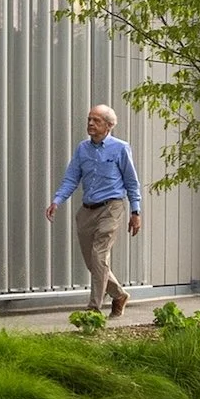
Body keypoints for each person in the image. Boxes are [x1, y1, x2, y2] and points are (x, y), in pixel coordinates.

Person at [47, 102, 142, 317]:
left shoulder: (120, 148)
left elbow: (131, 182)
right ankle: (119, 294)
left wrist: (135, 212)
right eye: (89, 119)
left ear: (108, 125)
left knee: (99, 257)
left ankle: (93, 310)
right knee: (93, 262)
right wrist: (57, 201)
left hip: (111, 207)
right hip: (87, 210)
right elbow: (71, 178)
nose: (90, 123)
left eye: (96, 120)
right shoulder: (82, 149)